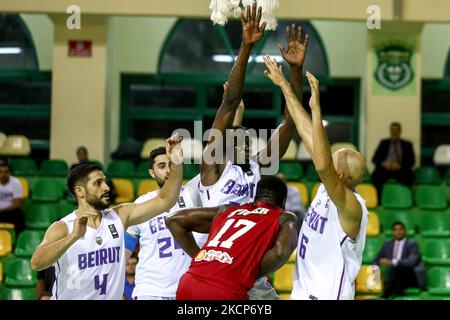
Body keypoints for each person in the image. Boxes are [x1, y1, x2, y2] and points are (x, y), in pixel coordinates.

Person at [200, 3, 309, 299]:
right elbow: (230, 102)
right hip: (219, 270)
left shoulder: (259, 165)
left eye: (247, 138)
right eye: (237, 136)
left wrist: (296, 71)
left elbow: (291, 120)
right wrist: (245, 47)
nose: (245, 140)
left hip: (254, 272)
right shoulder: (212, 169)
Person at [263, 56, 368, 300]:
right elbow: (306, 131)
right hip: (304, 291)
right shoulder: (328, 188)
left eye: (334, 158)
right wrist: (285, 86)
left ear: (339, 174)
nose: (327, 157)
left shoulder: (352, 206)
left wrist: (317, 109)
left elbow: (322, 164)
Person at [30, 134, 184, 300]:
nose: (106, 187)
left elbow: (165, 200)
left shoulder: (119, 216)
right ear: (79, 191)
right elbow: (36, 262)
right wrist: (73, 237)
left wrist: (176, 162)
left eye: (105, 181)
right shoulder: (63, 227)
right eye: (98, 183)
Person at [167, 175, 300, 300]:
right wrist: (246, 271)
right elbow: (279, 252)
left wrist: (201, 257)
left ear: (255, 197)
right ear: (283, 201)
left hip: (189, 282)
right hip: (226, 288)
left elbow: (173, 220)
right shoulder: (284, 217)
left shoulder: (226, 210)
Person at [124, 147, 207, 300]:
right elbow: (125, 251)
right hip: (150, 290)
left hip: (188, 288)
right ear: (151, 172)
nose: (168, 170)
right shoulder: (141, 203)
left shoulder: (192, 193)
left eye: (171, 164)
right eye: (161, 166)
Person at [373, 221, 427, 298]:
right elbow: (376, 260)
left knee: (396, 268)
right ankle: (396, 293)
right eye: (396, 230)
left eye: (401, 229)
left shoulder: (412, 244)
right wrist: (377, 276)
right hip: (395, 278)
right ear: (393, 232)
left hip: (409, 276)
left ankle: (385, 296)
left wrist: (393, 262)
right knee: (397, 281)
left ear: (405, 231)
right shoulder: (387, 244)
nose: (398, 232)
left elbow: (412, 261)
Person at [371, 122, 415, 196]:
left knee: (409, 176)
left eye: (397, 130)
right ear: (390, 131)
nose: (394, 132)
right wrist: (385, 164)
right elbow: (375, 159)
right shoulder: (383, 143)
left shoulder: (407, 144)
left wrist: (400, 166)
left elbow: (412, 161)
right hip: (385, 169)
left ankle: (406, 198)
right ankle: (379, 199)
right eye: (392, 130)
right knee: (376, 176)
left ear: (400, 131)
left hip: (401, 169)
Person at [0, 160, 25, 234]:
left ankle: (19, 239)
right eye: (1, 172)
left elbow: (17, 203)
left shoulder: (16, 183)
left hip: (10, 212)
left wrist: (3, 210)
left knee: (19, 214)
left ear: (9, 173)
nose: (3, 174)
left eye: (6, 172)